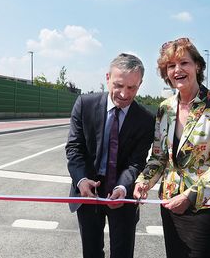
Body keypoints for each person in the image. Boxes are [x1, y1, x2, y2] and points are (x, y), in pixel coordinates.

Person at [133, 37, 210, 258]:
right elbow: (159, 158)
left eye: (184, 63)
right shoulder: (165, 108)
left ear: (197, 66)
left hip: (206, 206)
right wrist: (143, 181)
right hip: (171, 204)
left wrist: (190, 196)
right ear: (166, 73)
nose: (177, 70)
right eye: (171, 66)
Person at [66, 53, 155, 258]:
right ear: (107, 78)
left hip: (123, 195)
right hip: (88, 191)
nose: (124, 94)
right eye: (118, 85)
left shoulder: (146, 120)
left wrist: (123, 187)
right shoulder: (84, 104)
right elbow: (74, 148)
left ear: (140, 85)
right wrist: (81, 180)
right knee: (91, 252)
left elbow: (136, 162)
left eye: (131, 88)